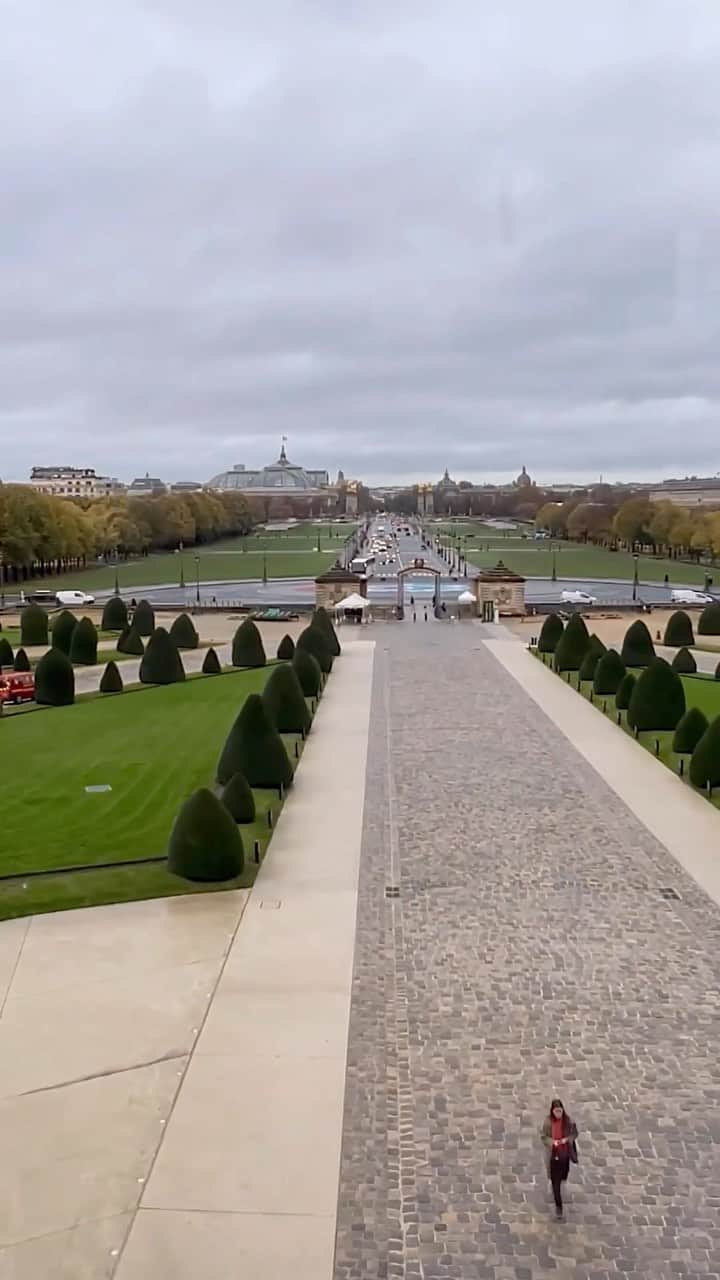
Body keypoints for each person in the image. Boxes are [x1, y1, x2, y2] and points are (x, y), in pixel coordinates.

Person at [541, 1099, 578, 1219]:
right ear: (552, 1111)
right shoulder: (548, 1123)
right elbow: (544, 1137)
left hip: (565, 1155)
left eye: (560, 1111)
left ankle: (560, 1185)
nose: (558, 1113)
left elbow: (574, 1133)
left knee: (563, 1176)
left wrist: (567, 1140)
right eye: (556, 1111)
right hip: (553, 1156)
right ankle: (559, 1206)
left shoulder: (568, 1121)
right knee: (555, 1181)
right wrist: (553, 1142)